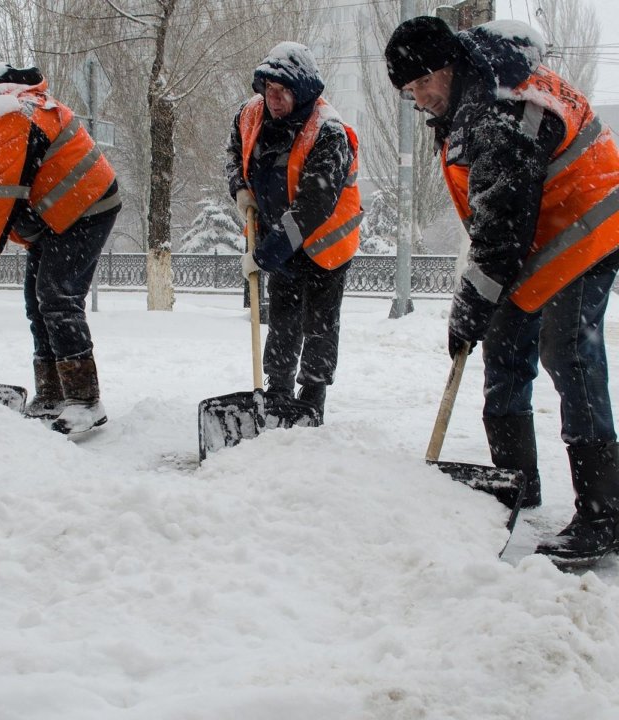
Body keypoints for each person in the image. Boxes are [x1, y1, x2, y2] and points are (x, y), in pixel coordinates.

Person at [384, 16, 619, 568]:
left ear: (444, 67)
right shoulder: (468, 96)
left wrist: (469, 307)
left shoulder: (501, 109)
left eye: (421, 86)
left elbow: (502, 227)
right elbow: (498, 221)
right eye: (409, 93)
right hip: (537, 234)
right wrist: (479, 308)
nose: (419, 101)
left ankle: (605, 513)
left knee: (570, 353)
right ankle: (517, 482)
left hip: (587, 225)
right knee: (504, 345)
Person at [0, 51, 121, 436]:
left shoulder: (6, 113)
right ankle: (51, 394)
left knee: (57, 297)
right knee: (37, 299)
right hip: (58, 217)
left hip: (87, 207)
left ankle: (84, 401)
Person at [226, 41, 363, 422]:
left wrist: (264, 255)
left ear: (301, 91)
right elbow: (234, 150)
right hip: (278, 236)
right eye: (269, 90)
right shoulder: (250, 115)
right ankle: (278, 389)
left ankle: (312, 395)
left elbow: (310, 209)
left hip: (325, 242)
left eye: (283, 91)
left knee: (319, 323)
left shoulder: (329, 132)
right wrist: (240, 188)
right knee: (283, 316)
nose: (274, 99)